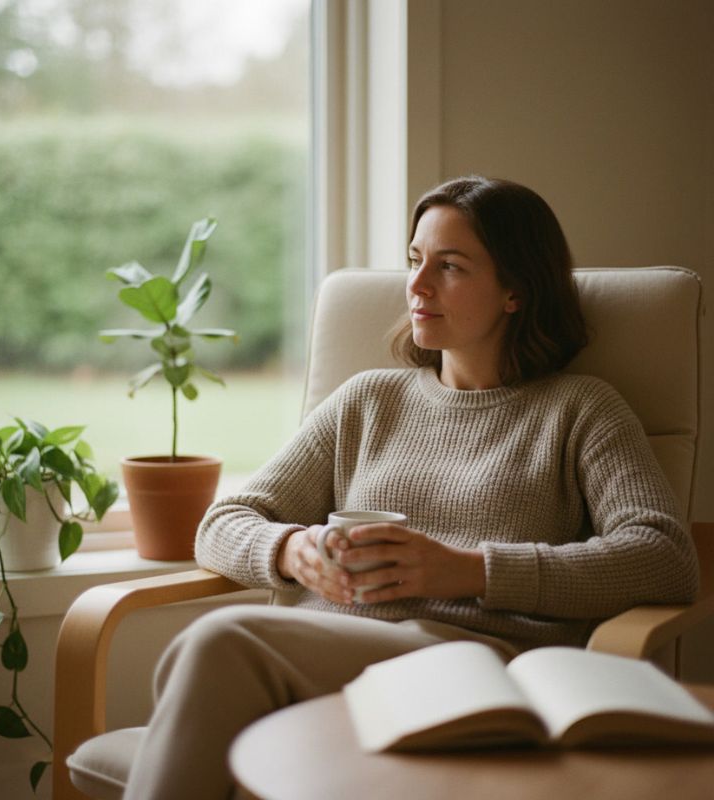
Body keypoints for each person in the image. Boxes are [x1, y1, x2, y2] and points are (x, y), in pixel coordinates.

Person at [122, 177, 699, 800]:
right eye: (414, 261)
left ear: (516, 290)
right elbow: (223, 521)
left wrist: (468, 571)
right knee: (216, 660)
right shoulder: (368, 400)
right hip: (335, 655)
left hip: (476, 670)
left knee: (218, 640)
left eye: (449, 267)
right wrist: (295, 553)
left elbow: (664, 558)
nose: (418, 287)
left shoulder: (580, 410)